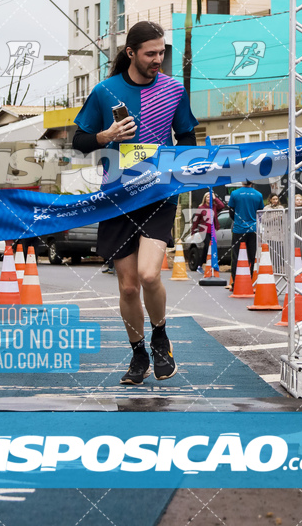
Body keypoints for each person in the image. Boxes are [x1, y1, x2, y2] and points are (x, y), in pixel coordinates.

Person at [72, 21, 197, 385]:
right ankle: (139, 354)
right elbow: (79, 141)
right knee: (127, 287)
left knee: (148, 274)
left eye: (161, 52)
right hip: (118, 195)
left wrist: (178, 167)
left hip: (158, 193)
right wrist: (106, 135)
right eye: (151, 53)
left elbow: (187, 136)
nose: (158, 59)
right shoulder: (104, 91)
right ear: (131, 53)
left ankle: (161, 337)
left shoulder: (174, 89)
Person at [227, 180, 264, 289]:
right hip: (253, 229)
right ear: (252, 182)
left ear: (242, 181)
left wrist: (238, 221)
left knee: (236, 256)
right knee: (251, 256)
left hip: (239, 229)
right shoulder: (258, 195)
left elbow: (231, 212)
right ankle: (249, 282)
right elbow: (260, 212)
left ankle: (235, 283)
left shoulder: (234, 193)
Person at [191, 190, 226, 273]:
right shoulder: (201, 208)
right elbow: (196, 221)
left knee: (212, 248)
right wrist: (193, 232)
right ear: (204, 198)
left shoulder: (214, 206)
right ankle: (200, 266)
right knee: (207, 247)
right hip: (204, 231)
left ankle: (211, 266)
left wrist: (215, 198)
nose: (209, 198)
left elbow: (222, 206)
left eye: (210, 197)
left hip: (212, 231)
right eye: (207, 197)